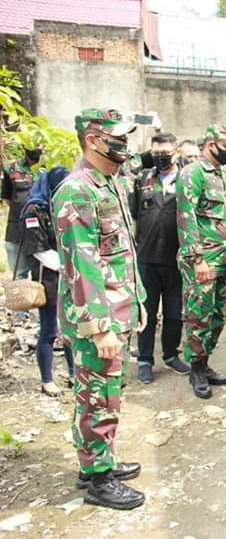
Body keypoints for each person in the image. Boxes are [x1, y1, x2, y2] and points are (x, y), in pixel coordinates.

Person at [52, 108, 146, 510]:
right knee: (98, 397)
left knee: (105, 393)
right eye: (116, 138)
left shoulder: (109, 184)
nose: (124, 145)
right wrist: (100, 327)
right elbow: (82, 265)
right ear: (93, 140)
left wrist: (137, 300)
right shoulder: (77, 191)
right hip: (98, 319)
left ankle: (96, 461)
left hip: (118, 309)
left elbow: (121, 252)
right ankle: (99, 481)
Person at [177, 124, 226, 399]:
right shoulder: (192, 173)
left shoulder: (223, 174)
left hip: (224, 259)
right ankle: (196, 368)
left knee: (218, 314)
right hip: (203, 260)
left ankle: (205, 362)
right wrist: (197, 259)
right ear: (211, 144)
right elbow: (186, 216)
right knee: (199, 315)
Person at [131, 132, 190, 383]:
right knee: (147, 312)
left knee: (175, 313)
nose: (160, 158)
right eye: (155, 153)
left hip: (176, 259)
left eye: (165, 153)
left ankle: (171, 355)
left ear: (176, 153)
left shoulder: (186, 179)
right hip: (147, 258)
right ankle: (145, 359)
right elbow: (134, 217)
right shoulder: (142, 179)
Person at [20, 167, 75, 397]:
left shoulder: (64, 206)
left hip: (69, 277)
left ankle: (74, 374)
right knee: (50, 330)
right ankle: (47, 380)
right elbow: (38, 250)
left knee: (71, 329)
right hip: (49, 279)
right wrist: (68, 266)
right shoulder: (34, 211)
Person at [2, 144, 40, 284]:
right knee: (19, 277)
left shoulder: (49, 168)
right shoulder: (11, 169)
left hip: (41, 234)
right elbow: (7, 198)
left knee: (42, 276)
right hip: (16, 231)